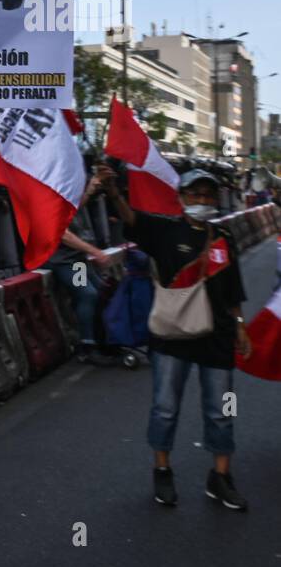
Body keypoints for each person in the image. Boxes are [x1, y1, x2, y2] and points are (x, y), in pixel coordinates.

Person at [99, 165, 250, 510]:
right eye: (194, 194)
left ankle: (220, 478)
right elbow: (131, 218)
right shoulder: (164, 230)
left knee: (221, 412)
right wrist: (112, 190)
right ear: (181, 198)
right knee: (165, 409)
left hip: (218, 338)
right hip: (171, 338)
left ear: (216, 199)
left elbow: (233, 290)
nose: (201, 200)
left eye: (207, 195)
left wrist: (240, 325)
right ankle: (163, 470)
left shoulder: (224, 237)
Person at [45, 172, 112, 360]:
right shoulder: (48, 198)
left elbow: (73, 209)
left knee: (100, 289)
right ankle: (87, 345)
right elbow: (64, 235)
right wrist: (94, 251)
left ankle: (102, 338)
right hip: (65, 261)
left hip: (76, 259)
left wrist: (89, 191)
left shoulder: (63, 196)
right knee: (87, 293)